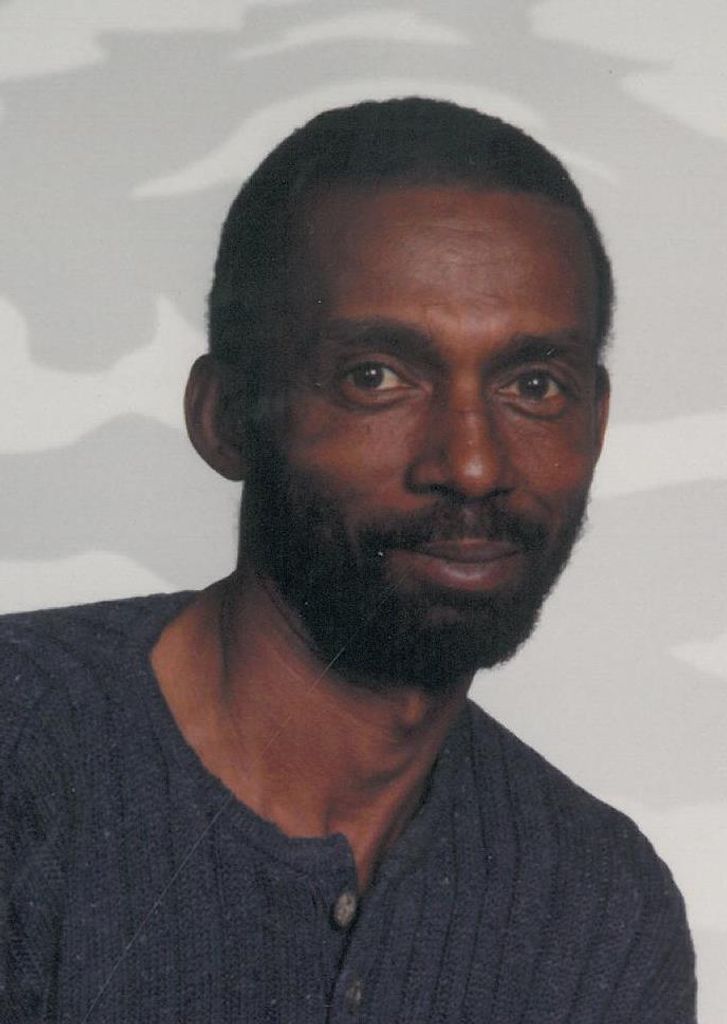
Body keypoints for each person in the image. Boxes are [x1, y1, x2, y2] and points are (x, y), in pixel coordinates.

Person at [0, 98, 696, 1022]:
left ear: (596, 425)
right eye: (377, 377)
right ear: (225, 418)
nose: (472, 465)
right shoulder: (22, 752)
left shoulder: (598, 909)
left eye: (533, 386)